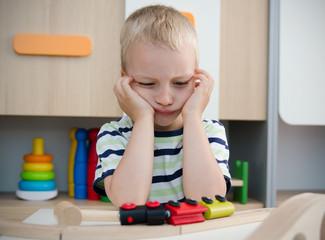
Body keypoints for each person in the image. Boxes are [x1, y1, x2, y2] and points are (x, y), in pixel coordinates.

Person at [93, 4, 231, 207]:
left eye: (180, 83)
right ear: (126, 81)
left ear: (196, 80)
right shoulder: (114, 135)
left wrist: (193, 116)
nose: (165, 99)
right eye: (148, 84)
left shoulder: (210, 132)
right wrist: (142, 119)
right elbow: (128, 202)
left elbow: (207, 200)